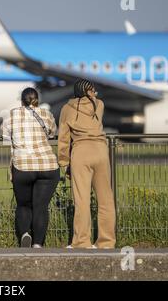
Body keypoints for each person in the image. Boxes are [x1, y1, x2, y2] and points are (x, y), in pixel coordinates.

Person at [57, 79, 116, 249]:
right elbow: (94, 101)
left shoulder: (67, 109)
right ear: (90, 91)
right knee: (105, 199)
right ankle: (107, 242)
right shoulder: (100, 105)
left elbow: (64, 137)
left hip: (81, 152)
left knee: (81, 200)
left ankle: (82, 242)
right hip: (101, 151)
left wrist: (63, 161)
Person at [2, 87, 60, 248]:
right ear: (37, 100)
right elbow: (51, 134)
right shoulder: (46, 114)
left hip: (23, 166)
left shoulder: (12, 115)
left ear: (21, 100)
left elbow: (6, 136)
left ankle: (25, 233)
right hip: (48, 165)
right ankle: (37, 243)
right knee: (41, 206)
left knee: (24, 205)